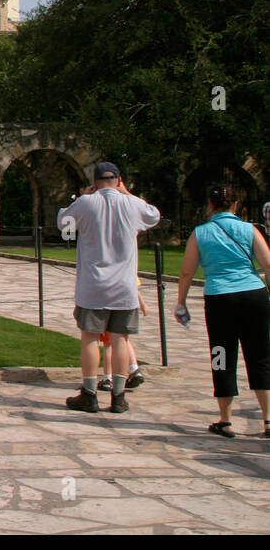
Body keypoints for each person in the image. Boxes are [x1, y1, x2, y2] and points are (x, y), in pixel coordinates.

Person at [58, 162, 160, 414]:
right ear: (119, 179)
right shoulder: (132, 204)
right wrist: (126, 194)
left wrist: (84, 197)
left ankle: (90, 393)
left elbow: (64, 223)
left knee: (90, 338)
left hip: (93, 283)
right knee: (120, 340)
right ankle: (118, 395)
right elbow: (153, 215)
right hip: (124, 285)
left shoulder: (86, 202)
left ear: (94, 181)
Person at [176, 183, 270, 438]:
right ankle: (268, 418)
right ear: (236, 205)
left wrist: (181, 302)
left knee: (221, 354)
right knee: (260, 355)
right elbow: (268, 264)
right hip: (253, 295)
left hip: (220, 298)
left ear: (209, 204)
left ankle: (225, 419)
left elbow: (187, 271)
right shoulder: (249, 229)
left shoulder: (200, 233)